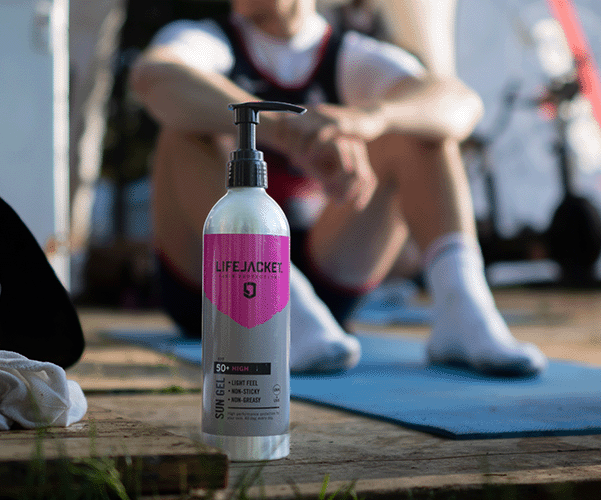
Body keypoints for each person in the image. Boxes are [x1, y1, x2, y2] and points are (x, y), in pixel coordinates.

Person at [131, 0, 546, 377]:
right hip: (213, 285)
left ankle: (461, 308)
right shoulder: (209, 39)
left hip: (327, 270)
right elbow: (153, 76)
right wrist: (284, 130)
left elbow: (461, 105)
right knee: (182, 128)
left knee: (419, 127)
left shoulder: (347, 53)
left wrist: (368, 119)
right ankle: (270, 310)